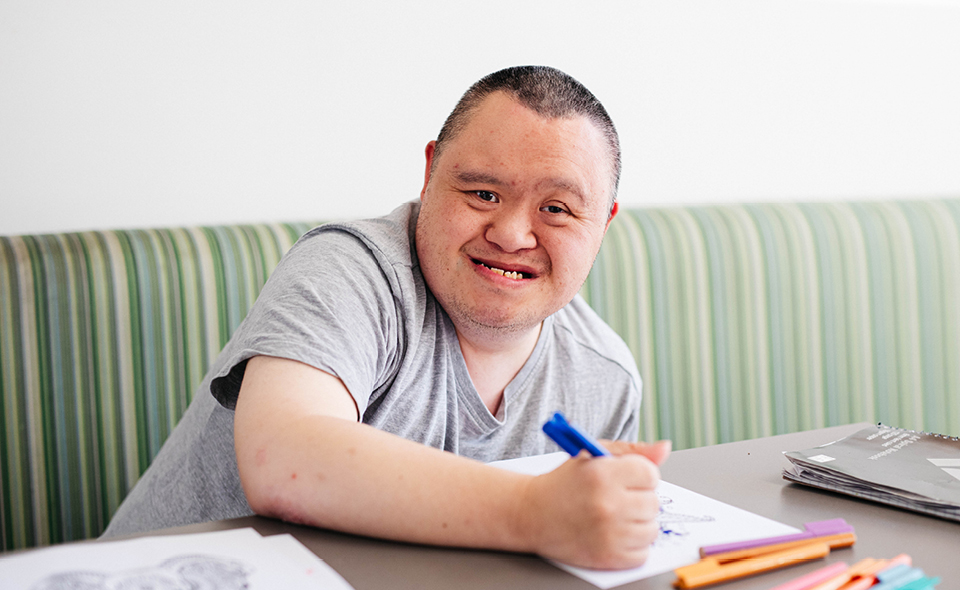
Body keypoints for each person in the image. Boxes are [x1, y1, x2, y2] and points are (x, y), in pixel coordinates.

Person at [103, 65, 671, 570]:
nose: (511, 234)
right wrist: (533, 511)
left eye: (556, 209)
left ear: (604, 222)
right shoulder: (349, 271)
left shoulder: (607, 377)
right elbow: (283, 460)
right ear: (429, 173)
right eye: (482, 193)